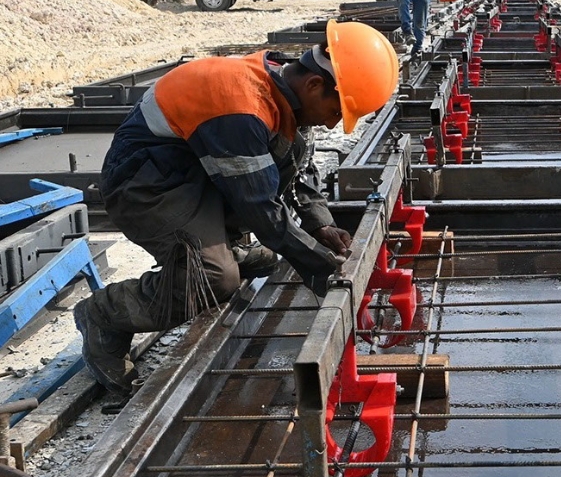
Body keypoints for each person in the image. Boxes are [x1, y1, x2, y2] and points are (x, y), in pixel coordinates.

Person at [73, 21, 399, 398]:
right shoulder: (241, 107)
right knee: (217, 279)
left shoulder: (284, 89)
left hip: (192, 175)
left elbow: (297, 162)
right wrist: (323, 268)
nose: (332, 123)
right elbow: (261, 207)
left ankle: (224, 245)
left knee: (263, 250)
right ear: (314, 85)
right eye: (336, 111)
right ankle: (103, 313)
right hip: (144, 185)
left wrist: (320, 224)